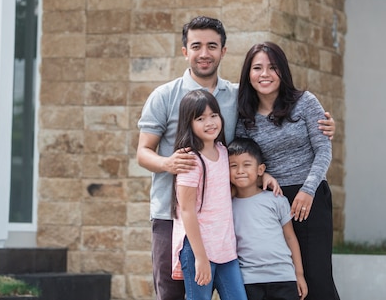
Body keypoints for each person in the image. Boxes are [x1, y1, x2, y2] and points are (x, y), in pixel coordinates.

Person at [137, 16, 335, 300]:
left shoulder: (237, 97)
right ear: (185, 51)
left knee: (290, 285)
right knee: (173, 293)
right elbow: (143, 152)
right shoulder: (164, 96)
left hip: (229, 216)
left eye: (212, 46)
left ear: (223, 51)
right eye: (196, 46)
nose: (204, 53)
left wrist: (262, 172)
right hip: (174, 214)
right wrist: (169, 163)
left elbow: (246, 147)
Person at [235, 41, 341, 300]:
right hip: (272, 201)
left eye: (272, 67)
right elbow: (240, 155)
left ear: (282, 71)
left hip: (310, 198)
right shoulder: (243, 116)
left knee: (317, 279)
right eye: (257, 68)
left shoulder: (305, 103)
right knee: (287, 282)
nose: (265, 74)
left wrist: (308, 190)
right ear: (248, 74)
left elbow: (323, 150)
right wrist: (263, 175)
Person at [171, 89, 247, 300]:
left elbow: (224, 191)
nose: (210, 122)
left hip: (225, 248)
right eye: (201, 118)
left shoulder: (223, 151)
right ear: (189, 123)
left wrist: (263, 179)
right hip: (198, 247)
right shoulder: (190, 160)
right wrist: (200, 257)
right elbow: (186, 210)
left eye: (214, 115)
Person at [228, 137, 308, 300]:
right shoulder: (228, 207)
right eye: (233, 166)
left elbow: (290, 237)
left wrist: (299, 274)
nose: (240, 171)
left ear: (260, 169)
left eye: (247, 165)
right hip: (249, 280)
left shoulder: (276, 200)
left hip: (283, 277)